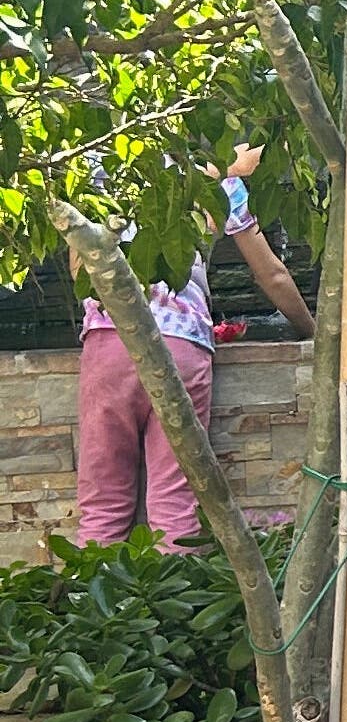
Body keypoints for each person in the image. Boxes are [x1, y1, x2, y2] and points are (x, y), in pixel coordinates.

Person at [73, 148, 316, 545]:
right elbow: (272, 275)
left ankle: (92, 603)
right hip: (182, 345)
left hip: (109, 341)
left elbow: (80, 270)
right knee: (175, 501)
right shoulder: (214, 181)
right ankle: (174, 603)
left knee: (102, 503)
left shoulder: (97, 171)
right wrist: (311, 330)